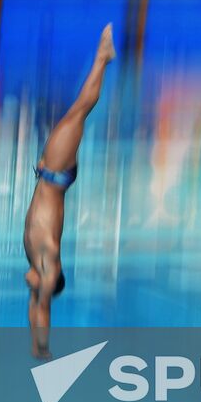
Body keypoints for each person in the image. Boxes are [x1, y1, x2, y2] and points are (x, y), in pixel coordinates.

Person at [24, 24, 116, 359]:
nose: (33, 293)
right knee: (80, 109)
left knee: (77, 111)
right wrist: (46, 350)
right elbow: (44, 310)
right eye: (40, 291)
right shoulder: (47, 260)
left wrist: (34, 348)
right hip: (57, 173)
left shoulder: (35, 259)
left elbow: (34, 311)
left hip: (48, 171)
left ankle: (102, 58)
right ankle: (103, 58)